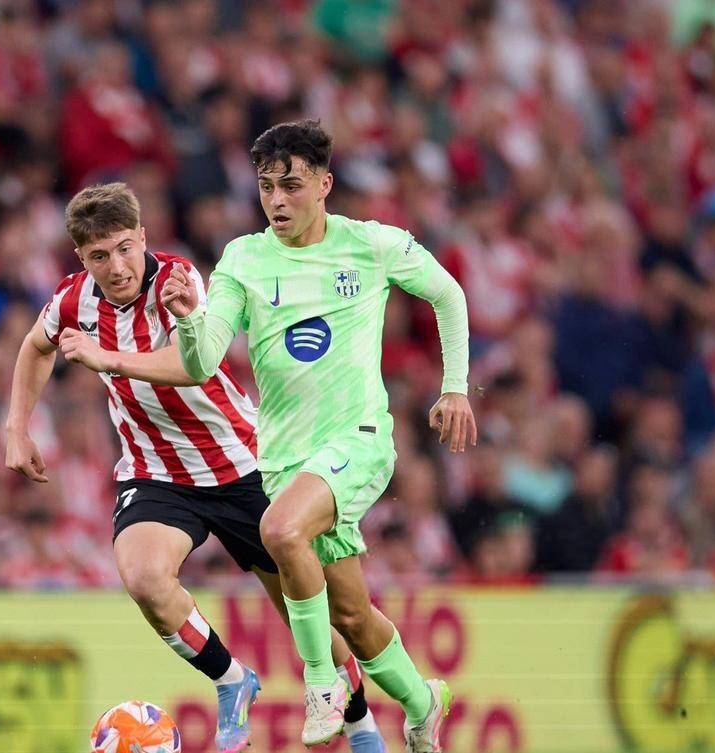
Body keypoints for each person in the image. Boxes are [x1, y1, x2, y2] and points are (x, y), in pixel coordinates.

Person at [5, 183, 387, 753]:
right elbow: (35, 347)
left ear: (143, 238)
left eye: (125, 249)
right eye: (99, 256)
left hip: (242, 464)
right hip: (155, 472)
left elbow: (192, 364)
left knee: (307, 617)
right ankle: (232, 680)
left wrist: (108, 359)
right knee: (143, 577)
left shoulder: (178, 280)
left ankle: (361, 728)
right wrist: (17, 427)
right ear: (80, 257)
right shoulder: (71, 301)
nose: (117, 267)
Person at [160, 120, 476, 752]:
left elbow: (447, 294)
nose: (277, 200)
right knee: (352, 615)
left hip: (359, 439)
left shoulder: (372, 244)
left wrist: (455, 386)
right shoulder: (243, 259)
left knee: (279, 531)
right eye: (266, 187)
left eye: (292, 186)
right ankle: (423, 704)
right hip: (285, 460)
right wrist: (191, 320)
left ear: (325, 185)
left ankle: (321, 682)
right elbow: (202, 361)